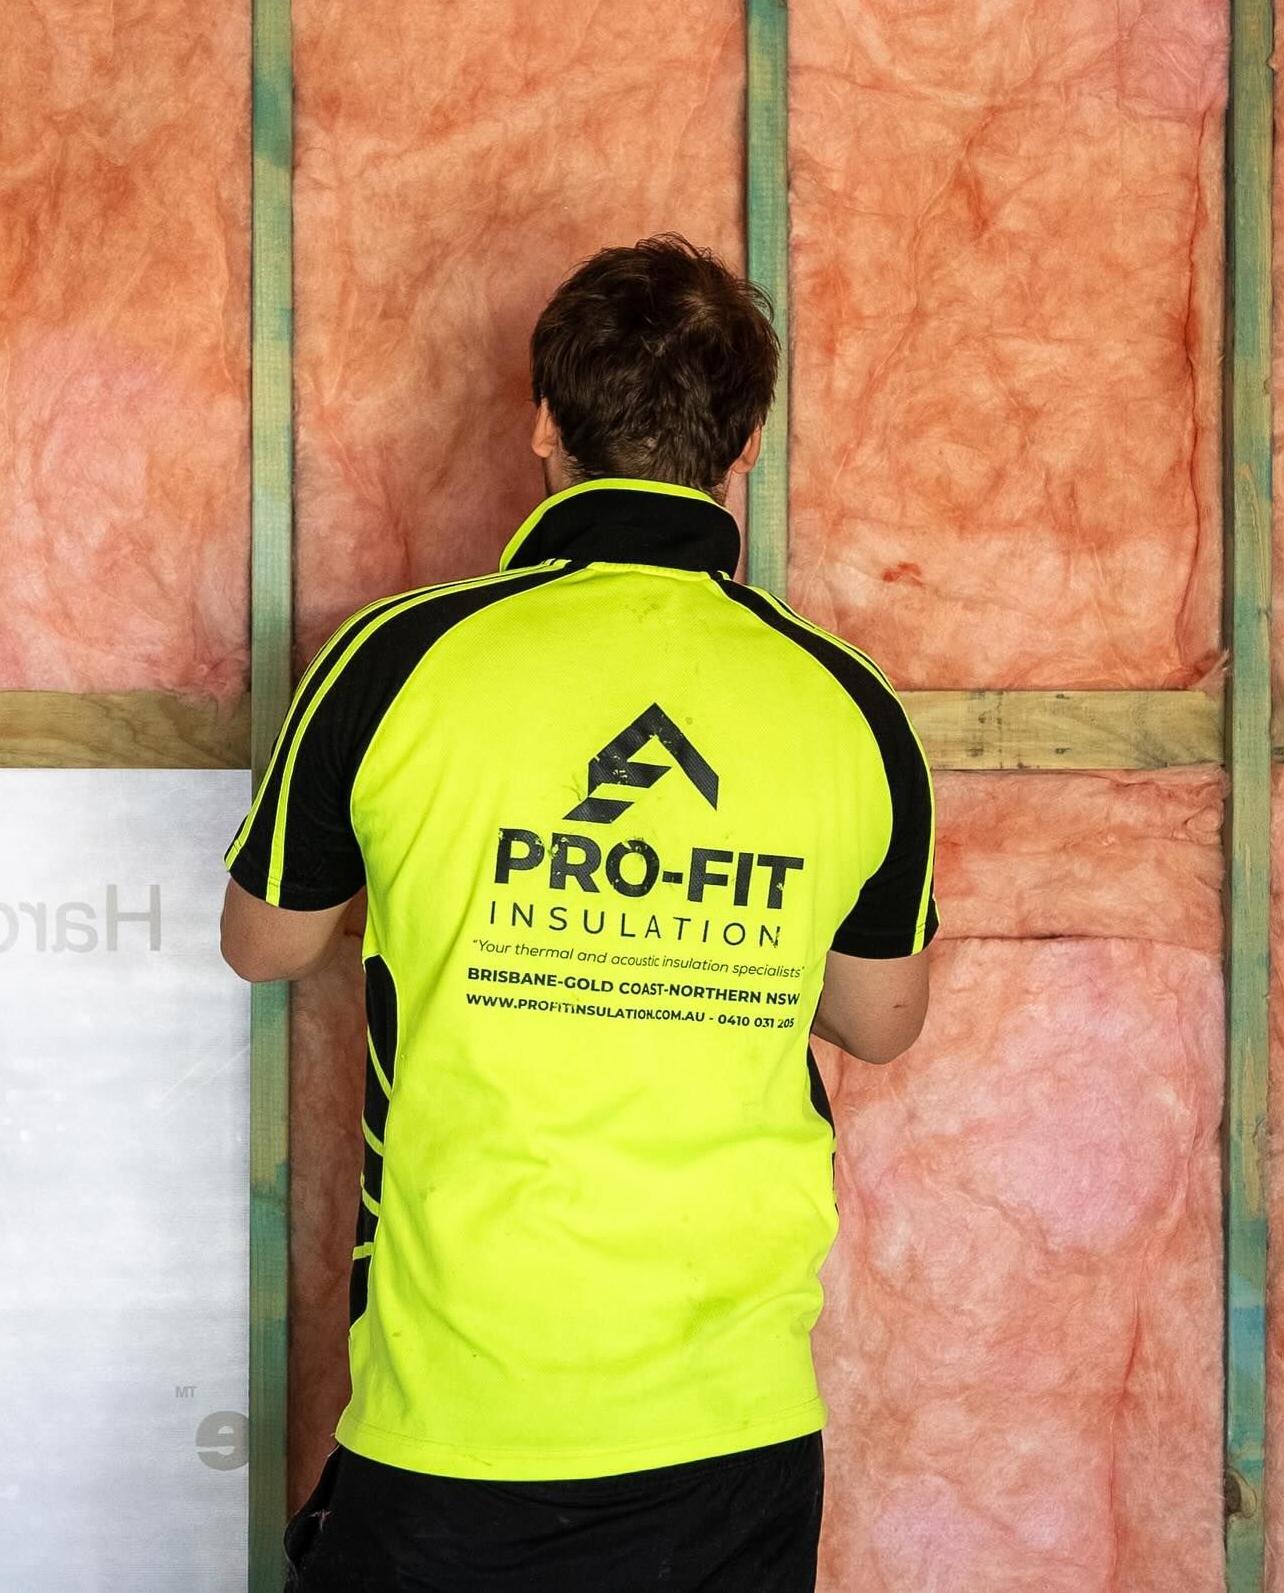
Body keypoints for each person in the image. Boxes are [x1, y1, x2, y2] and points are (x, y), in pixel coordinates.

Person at [219, 234, 940, 1592]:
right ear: (745, 447)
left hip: (459, 1416)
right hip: (732, 1430)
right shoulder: (850, 703)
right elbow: (880, 1019)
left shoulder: (395, 657)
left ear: (546, 423)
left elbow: (267, 943)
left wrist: (475, 889)